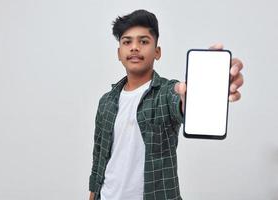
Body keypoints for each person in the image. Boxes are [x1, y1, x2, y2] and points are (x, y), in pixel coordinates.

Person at [88, 9, 244, 200]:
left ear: (157, 52)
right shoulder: (106, 101)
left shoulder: (167, 92)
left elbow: (180, 102)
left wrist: (203, 92)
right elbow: (99, 154)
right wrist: (93, 192)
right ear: (119, 53)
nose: (134, 47)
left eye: (143, 41)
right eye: (127, 42)